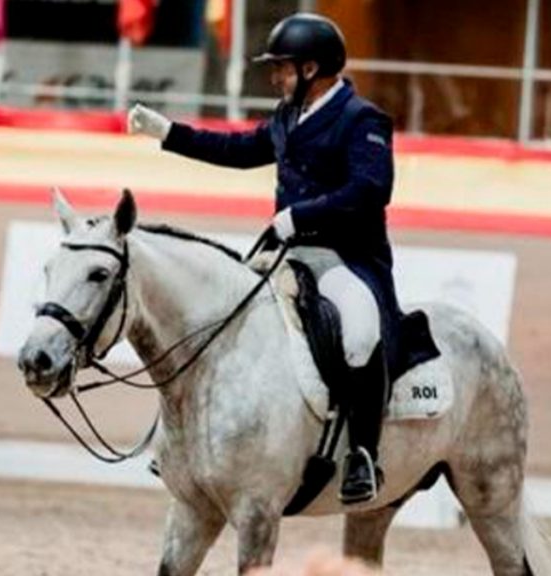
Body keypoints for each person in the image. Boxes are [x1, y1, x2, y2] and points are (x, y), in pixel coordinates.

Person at [128, 13, 399, 505]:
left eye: (283, 68)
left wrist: (302, 214)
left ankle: (362, 453)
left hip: (345, 257)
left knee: (359, 329)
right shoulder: (286, 116)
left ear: (313, 68)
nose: (275, 77)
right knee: (218, 315)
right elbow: (236, 149)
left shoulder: (363, 120)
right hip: (287, 255)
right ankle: (188, 442)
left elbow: (371, 188)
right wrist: (169, 133)